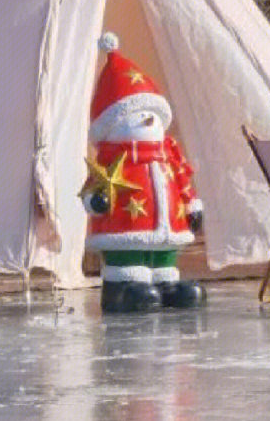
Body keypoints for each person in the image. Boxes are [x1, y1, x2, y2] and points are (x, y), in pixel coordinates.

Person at [80, 32, 205, 312]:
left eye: (153, 114)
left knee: (163, 262)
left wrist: (192, 205)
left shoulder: (168, 155)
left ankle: (166, 284)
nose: (149, 119)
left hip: (166, 230)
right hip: (126, 228)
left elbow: (183, 181)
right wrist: (97, 200)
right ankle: (122, 288)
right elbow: (93, 187)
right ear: (114, 123)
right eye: (139, 114)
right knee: (129, 264)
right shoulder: (113, 160)